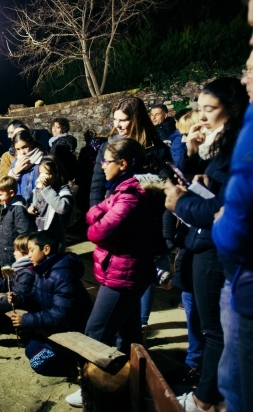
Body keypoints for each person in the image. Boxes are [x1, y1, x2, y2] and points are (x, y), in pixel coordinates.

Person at [165, 78, 248, 412]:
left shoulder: (238, 147)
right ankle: (207, 392)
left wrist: (179, 204)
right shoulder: (214, 145)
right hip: (201, 244)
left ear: (233, 109)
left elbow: (221, 207)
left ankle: (204, 400)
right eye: (198, 108)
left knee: (214, 330)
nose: (200, 116)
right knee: (204, 324)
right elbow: (201, 187)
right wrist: (189, 156)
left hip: (216, 249)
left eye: (208, 109)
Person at [67, 138, 160, 408]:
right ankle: (129, 385)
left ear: (122, 164)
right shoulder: (122, 190)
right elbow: (96, 214)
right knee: (128, 334)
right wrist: (100, 211)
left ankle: (93, 386)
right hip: (125, 272)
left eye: (106, 161)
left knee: (96, 332)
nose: (102, 166)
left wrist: (98, 213)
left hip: (124, 275)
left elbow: (96, 231)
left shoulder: (129, 197)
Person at [0, 231, 92, 377]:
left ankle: (76, 369)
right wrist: (19, 299)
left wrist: (25, 320)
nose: (29, 255)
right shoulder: (42, 270)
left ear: (46, 249)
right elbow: (35, 298)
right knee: (31, 348)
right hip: (50, 325)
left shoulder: (63, 276)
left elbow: (61, 315)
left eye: (32, 250)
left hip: (71, 329)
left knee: (38, 361)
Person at [213, 50, 253, 412]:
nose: (245, 79)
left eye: (250, 71)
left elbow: (234, 213)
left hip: (239, 269)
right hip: (235, 272)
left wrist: (181, 203)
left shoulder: (246, 134)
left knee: (239, 385)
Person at [89, 97, 172, 207]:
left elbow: (166, 188)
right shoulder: (107, 146)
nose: (117, 125)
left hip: (147, 213)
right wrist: (96, 214)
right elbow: (97, 185)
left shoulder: (156, 148)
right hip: (114, 212)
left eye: (123, 120)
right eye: (115, 119)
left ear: (136, 120)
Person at [28, 157, 74, 253]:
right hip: (38, 233)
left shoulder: (63, 190)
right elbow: (32, 202)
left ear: (56, 174)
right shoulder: (36, 190)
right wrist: (29, 208)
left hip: (54, 237)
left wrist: (46, 189)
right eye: (41, 173)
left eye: (47, 173)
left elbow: (62, 208)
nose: (43, 176)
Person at [0, 233, 34, 314]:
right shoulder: (19, 267)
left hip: (21, 310)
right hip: (13, 303)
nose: (14, 253)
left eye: (16, 250)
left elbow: (15, 297)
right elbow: (5, 281)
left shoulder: (27, 273)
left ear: (25, 252)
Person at [0, 176, 34, 272]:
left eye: (0, 195)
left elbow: (24, 234)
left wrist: (20, 254)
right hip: (4, 254)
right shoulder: (7, 208)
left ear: (11, 193)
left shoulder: (18, 210)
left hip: (13, 256)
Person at [8, 128, 48, 204]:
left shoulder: (42, 161)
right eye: (18, 149)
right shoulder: (15, 163)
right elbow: (8, 186)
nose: (22, 152)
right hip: (19, 206)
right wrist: (15, 171)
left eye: (24, 147)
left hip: (38, 206)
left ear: (32, 143)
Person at [77, 129, 106, 217]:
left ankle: (85, 217)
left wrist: (78, 179)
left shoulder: (86, 150)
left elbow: (81, 165)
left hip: (86, 176)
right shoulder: (102, 146)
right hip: (98, 175)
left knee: (85, 198)